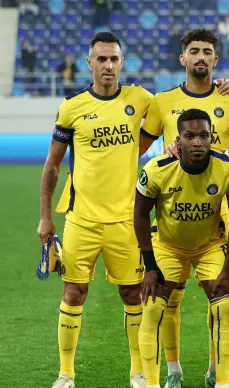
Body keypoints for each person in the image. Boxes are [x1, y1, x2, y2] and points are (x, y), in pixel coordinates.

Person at [38, 32, 154, 388]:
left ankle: (138, 372)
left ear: (122, 62)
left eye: (113, 59)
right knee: (74, 292)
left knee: (133, 294)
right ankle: (66, 373)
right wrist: (45, 217)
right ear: (89, 63)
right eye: (101, 59)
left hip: (126, 220)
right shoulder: (71, 107)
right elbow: (53, 166)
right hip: (81, 221)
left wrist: (224, 88)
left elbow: (179, 106)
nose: (107, 65)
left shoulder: (141, 99)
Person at [140, 28, 229, 388]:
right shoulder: (160, 101)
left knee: (221, 293)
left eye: (207, 51)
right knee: (170, 296)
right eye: (194, 51)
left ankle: (217, 370)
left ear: (216, 59)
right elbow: (137, 147)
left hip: (219, 211)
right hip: (175, 205)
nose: (201, 56)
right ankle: (173, 370)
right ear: (182, 58)